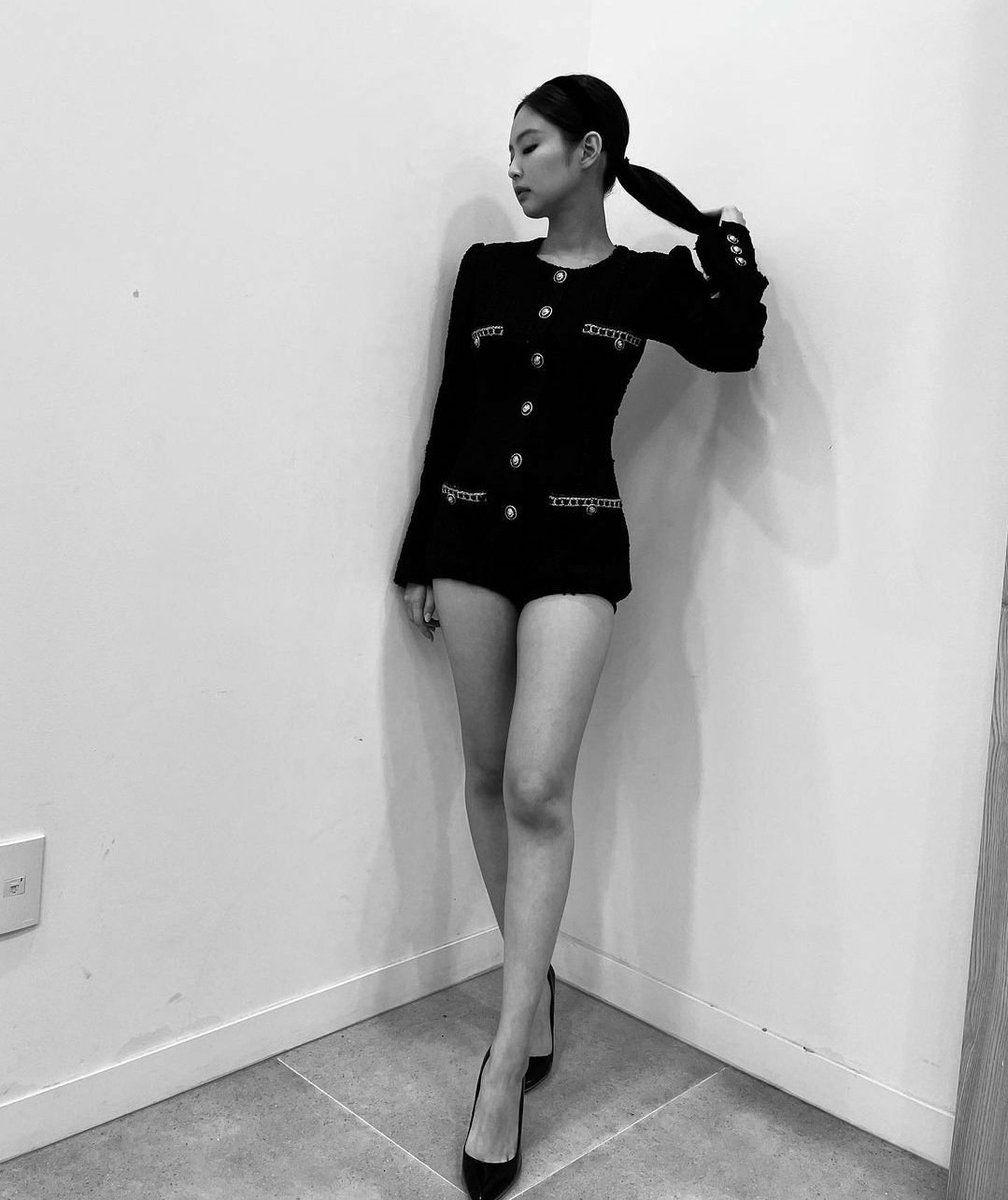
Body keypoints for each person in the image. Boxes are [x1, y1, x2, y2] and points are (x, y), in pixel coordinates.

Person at [392, 73, 770, 1200]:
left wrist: (729, 250)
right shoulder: (487, 271)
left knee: (537, 786)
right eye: (510, 148)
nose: (512, 165)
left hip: (575, 545)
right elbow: (455, 410)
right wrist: (418, 552)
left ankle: (506, 1062)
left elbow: (734, 348)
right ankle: (537, 990)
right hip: (469, 538)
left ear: (590, 151)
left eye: (530, 144)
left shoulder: (647, 282)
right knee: (482, 771)